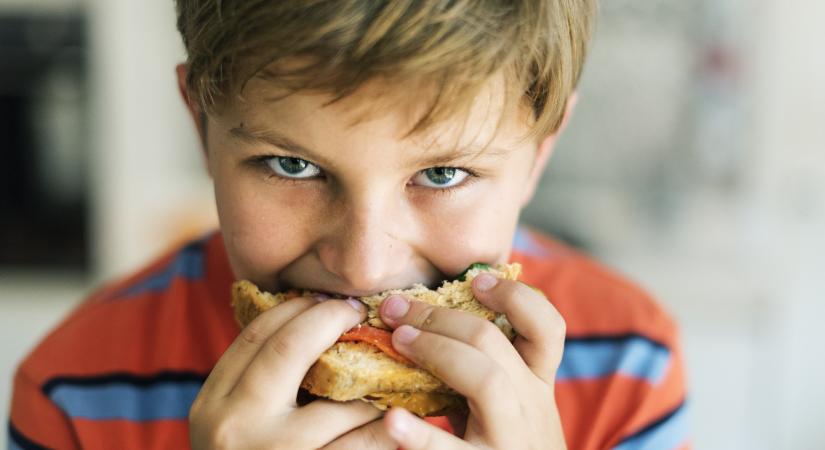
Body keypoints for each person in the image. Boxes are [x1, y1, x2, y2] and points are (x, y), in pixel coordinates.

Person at [7, 1, 689, 449]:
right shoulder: (76, 388)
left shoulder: (626, 365)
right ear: (200, 125)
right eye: (291, 165)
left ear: (539, 153)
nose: (363, 265)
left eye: (443, 175)